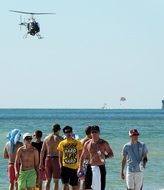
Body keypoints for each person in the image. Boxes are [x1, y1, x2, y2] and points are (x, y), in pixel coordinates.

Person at [79, 125, 114, 190]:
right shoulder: (87, 143)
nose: (94, 134)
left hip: (100, 167)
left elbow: (111, 154)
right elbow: (82, 156)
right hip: (89, 167)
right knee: (88, 187)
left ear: (99, 133)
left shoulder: (103, 143)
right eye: (92, 132)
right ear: (90, 133)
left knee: (100, 188)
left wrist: (104, 156)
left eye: (96, 132)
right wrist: (80, 168)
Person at [57, 126, 83, 190]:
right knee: (65, 185)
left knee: (74, 186)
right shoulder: (62, 143)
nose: (68, 133)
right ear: (64, 133)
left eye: (69, 132)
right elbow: (60, 156)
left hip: (74, 168)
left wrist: (80, 167)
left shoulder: (78, 143)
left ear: (72, 132)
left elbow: (81, 156)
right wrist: (61, 166)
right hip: (65, 167)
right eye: (66, 132)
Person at [40, 124, 63, 190]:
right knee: (56, 181)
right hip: (56, 160)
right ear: (59, 130)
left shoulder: (46, 138)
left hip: (48, 159)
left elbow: (42, 151)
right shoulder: (60, 139)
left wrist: (41, 163)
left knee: (48, 180)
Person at [80, 126, 92, 190]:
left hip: (82, 162)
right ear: (90, 132)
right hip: (88, 162)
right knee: (89, 181)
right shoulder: (89, 141)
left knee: (83, 179)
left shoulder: (81, 140)